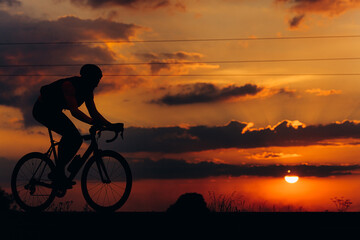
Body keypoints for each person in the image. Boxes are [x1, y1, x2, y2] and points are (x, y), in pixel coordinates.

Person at [32, 64, 112, 187]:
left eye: (99, 80)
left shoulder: (88, 90)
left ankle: (58, 171)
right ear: (88, 78)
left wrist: (111, 125)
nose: (97, 83)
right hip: (42, 110)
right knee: (73, 137)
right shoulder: (69, 86)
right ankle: (57, 172)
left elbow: (94, 113)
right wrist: (92, 122)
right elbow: (74, 112)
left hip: (55, 110)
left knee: (75, 138)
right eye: (96, 79)